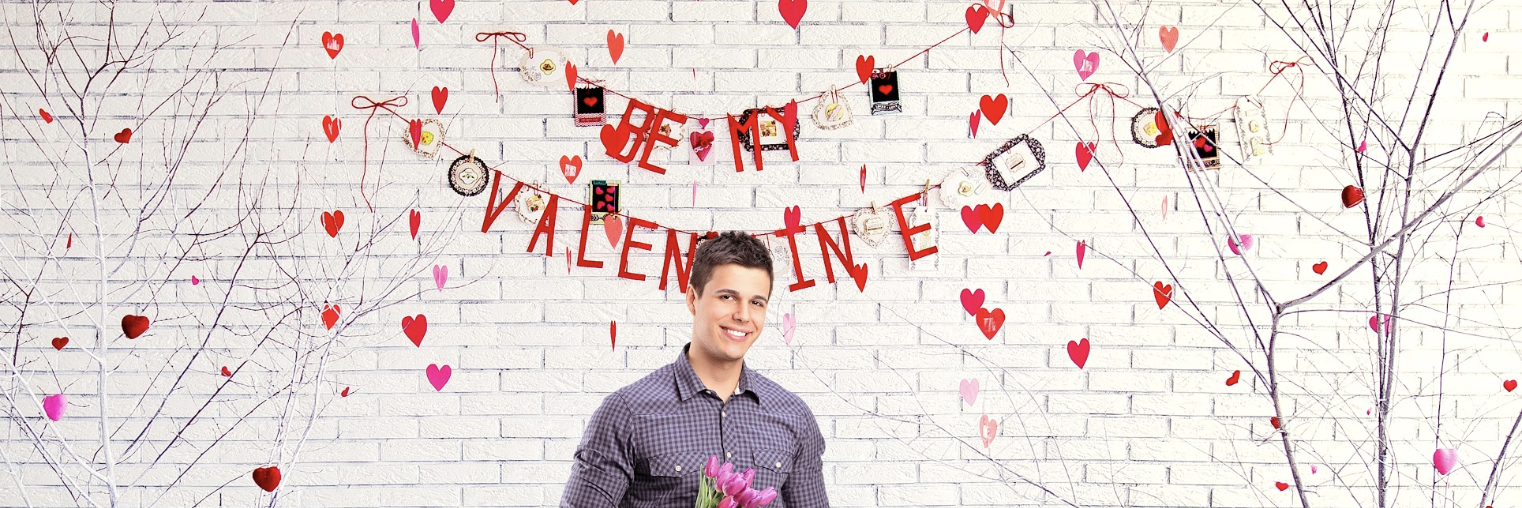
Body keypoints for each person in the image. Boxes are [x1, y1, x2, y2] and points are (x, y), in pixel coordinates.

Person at [560, 231, 829, 508]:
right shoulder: (627, 412)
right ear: (692, 298)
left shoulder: (794, 415)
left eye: (756, 302)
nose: (743, 315)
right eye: (727, 297)